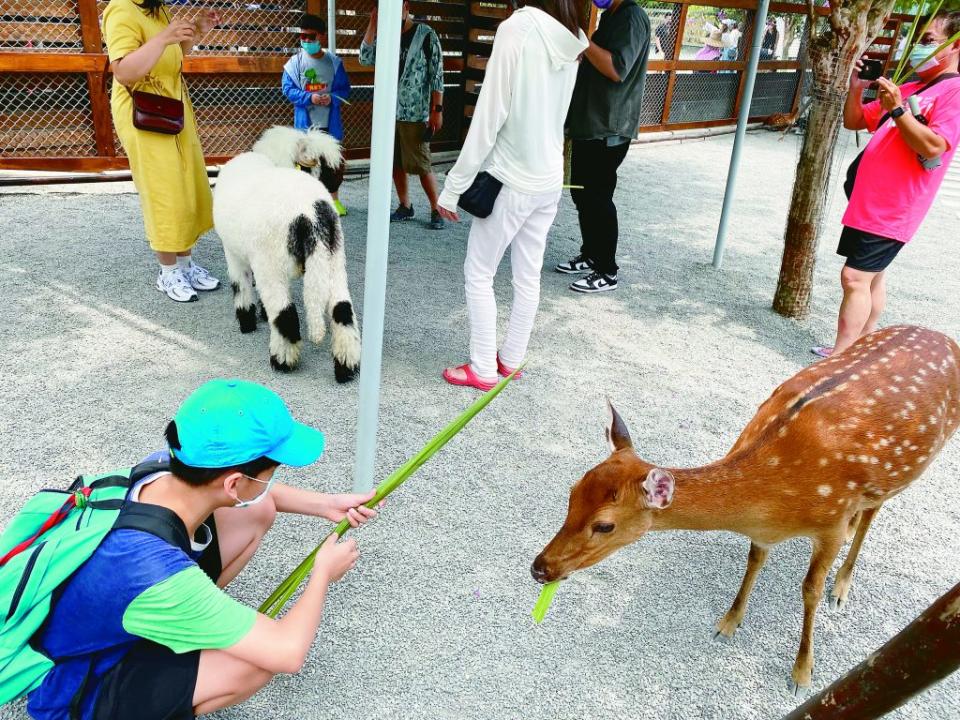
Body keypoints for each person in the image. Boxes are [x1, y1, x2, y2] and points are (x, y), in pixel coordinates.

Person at [26, 379, 378, 719]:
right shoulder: (158, 576)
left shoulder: (163, 468)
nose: (272, 479)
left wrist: (326, 504)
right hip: (73, 692)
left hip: (90, 622)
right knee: (255, 662)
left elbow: (255, 497)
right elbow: (288, 653)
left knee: (258, 509)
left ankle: (183, 629)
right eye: (271, 471)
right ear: (235, 482)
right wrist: (322, 573)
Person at [436, 0, 588, 390]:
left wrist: (453, 187)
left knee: (479, 272)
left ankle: (483, 366)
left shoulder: (517, 29)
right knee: (527, 275)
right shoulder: (575, 36)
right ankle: (511, 359)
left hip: (511, 178)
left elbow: (489, 116)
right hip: (549, 178)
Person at [812, 10, 960, 358]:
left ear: (955, 47)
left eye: (929, 41)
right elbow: (855, 120)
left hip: (895, 207)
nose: (919, 48)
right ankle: (863, 347)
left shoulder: (953, 91)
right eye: (919, 40)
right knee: (872, 276)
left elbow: (935, 144)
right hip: (868, 202)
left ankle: (841, 359)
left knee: (854, 279)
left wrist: (898, 111)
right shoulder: (909, 87)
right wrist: (857, 90)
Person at [102, 0, 221, 303]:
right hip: (143, 109)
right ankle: (167, 272)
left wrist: (196, 34)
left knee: (186, 182)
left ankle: (185, 264)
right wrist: (163, 37)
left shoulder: (158, 9)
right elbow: (124, 71)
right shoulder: (121, 9)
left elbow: (176, 54)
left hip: (172, 103)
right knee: (163, 187)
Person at [556, 0, 650, 294]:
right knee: (583, 195)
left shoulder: (632, 17)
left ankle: (607, 271)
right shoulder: (611, 15)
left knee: (598, 197)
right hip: (590, 124)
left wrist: (582, 41)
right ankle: (591, 254)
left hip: (609, 127)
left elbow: (616, 68)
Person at [360, 0, 446, 230]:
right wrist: (373, 23)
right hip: (388, 111)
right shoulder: (386, 33)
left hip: (415, 112)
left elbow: (437, 74)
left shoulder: (426, 34)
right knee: (394, 162)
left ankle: (436, 208)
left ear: (405, 5)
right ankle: (405, 205)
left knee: (421, 162)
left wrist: (436, 110)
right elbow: (365, 58)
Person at [282, 13, 351, 216]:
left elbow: (345, 90)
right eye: (302, 36)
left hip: (330, 125)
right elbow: (288, 89)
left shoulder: (334, 63)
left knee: (333, 164)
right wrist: (309, 98)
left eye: (310, 36)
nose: (305, 40)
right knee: (305, 164)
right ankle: (306, 203)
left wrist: (332, 98)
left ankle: (334, 200)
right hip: (305, 125)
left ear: (321, 36)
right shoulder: (294, 64)